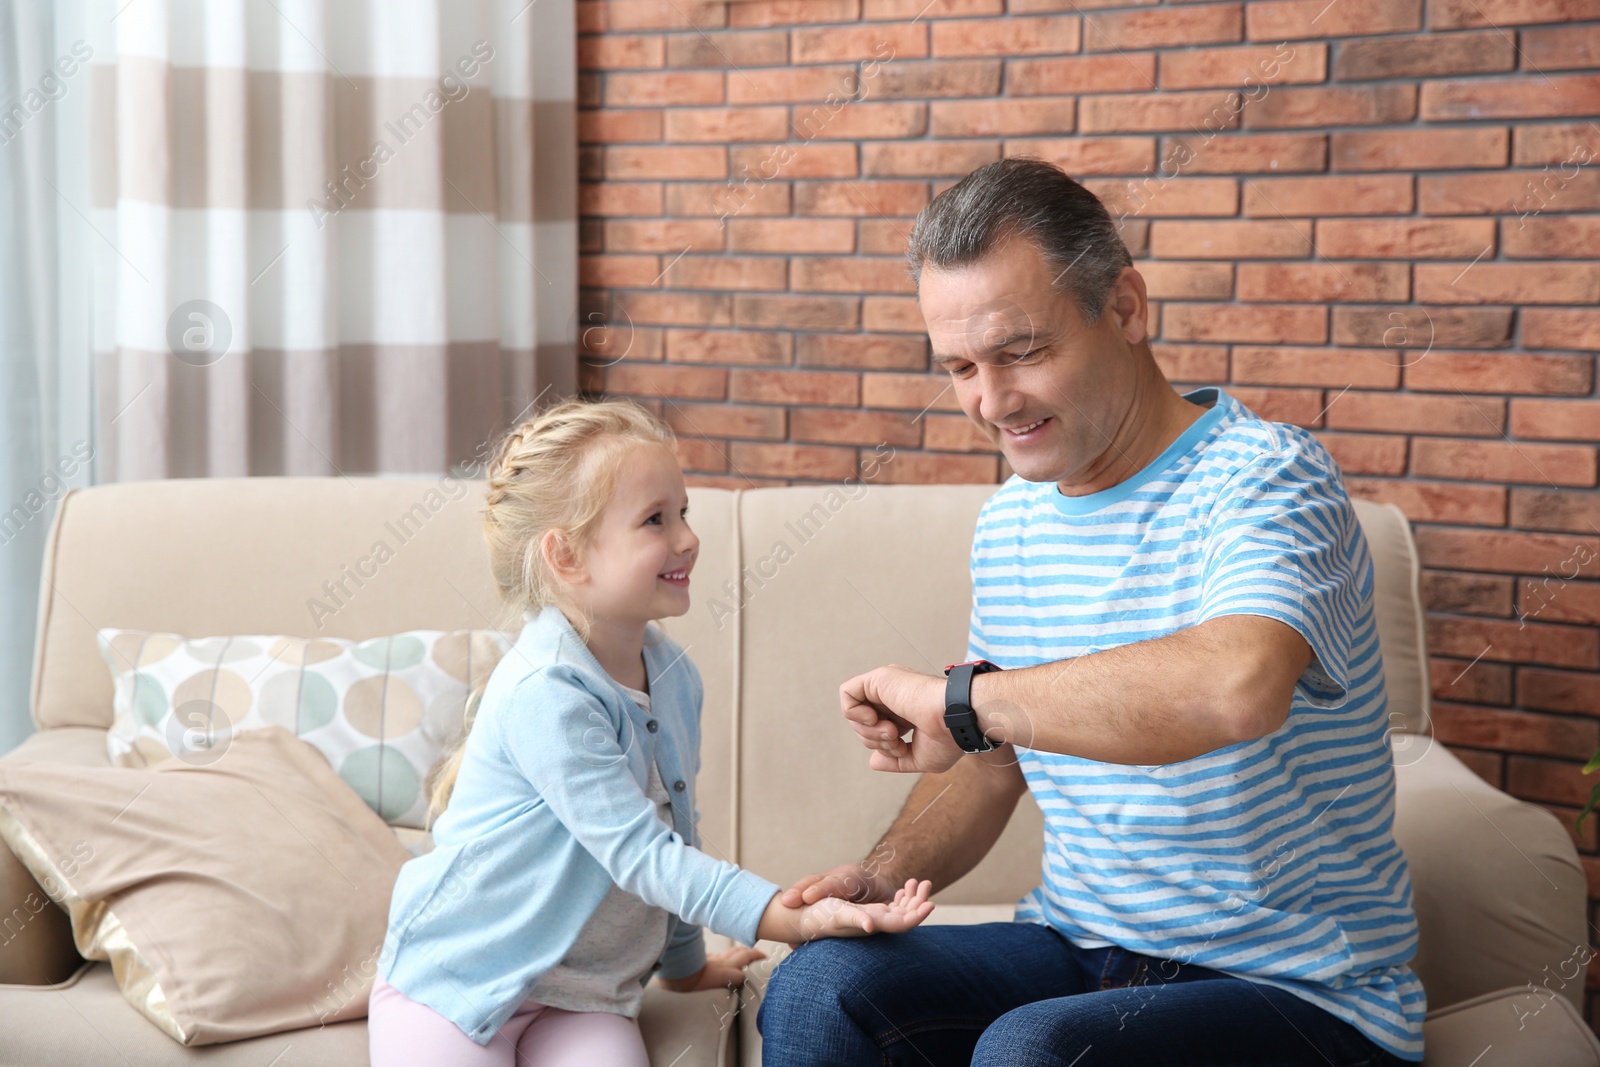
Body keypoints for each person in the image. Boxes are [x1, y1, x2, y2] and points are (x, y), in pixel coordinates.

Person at [757, 159, 1425, 1065]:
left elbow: (1236, 687)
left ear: (1124, 307)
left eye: (1022, 351)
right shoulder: (1013, 520)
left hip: (1296, 991)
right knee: (821, 986)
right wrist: (874, 878)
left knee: (1035, 1050)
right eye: (960, 366)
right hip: (1084, 947)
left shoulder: (1267, 478)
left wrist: (963, 700)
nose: (992, 402)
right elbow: (995, 765)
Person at [368, 399, 935, 1066]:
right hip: (456, 986)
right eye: (655, 520)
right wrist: (790, 917)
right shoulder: (547, 690)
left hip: (582, 996)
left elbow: (675, 831)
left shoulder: (672, 675)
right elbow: (644, 855)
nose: (688, 538)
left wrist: (685, 965)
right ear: (568, 555)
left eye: (684, 511)